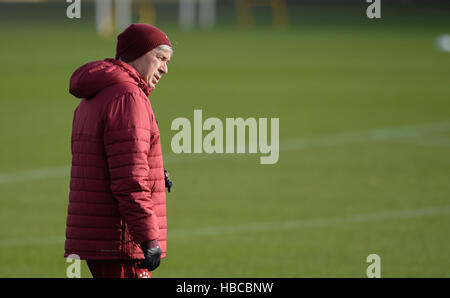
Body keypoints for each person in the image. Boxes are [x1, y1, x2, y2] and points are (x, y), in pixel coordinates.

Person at [64, 23, 173, 278]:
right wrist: (148, 239)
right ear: (137, 54)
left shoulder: (97, 94)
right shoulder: (128, 98)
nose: (165, 69)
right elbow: (129, 180)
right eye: (160, 58)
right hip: (120, 241)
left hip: (100, 238)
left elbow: (109, 163)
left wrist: (155, 174)